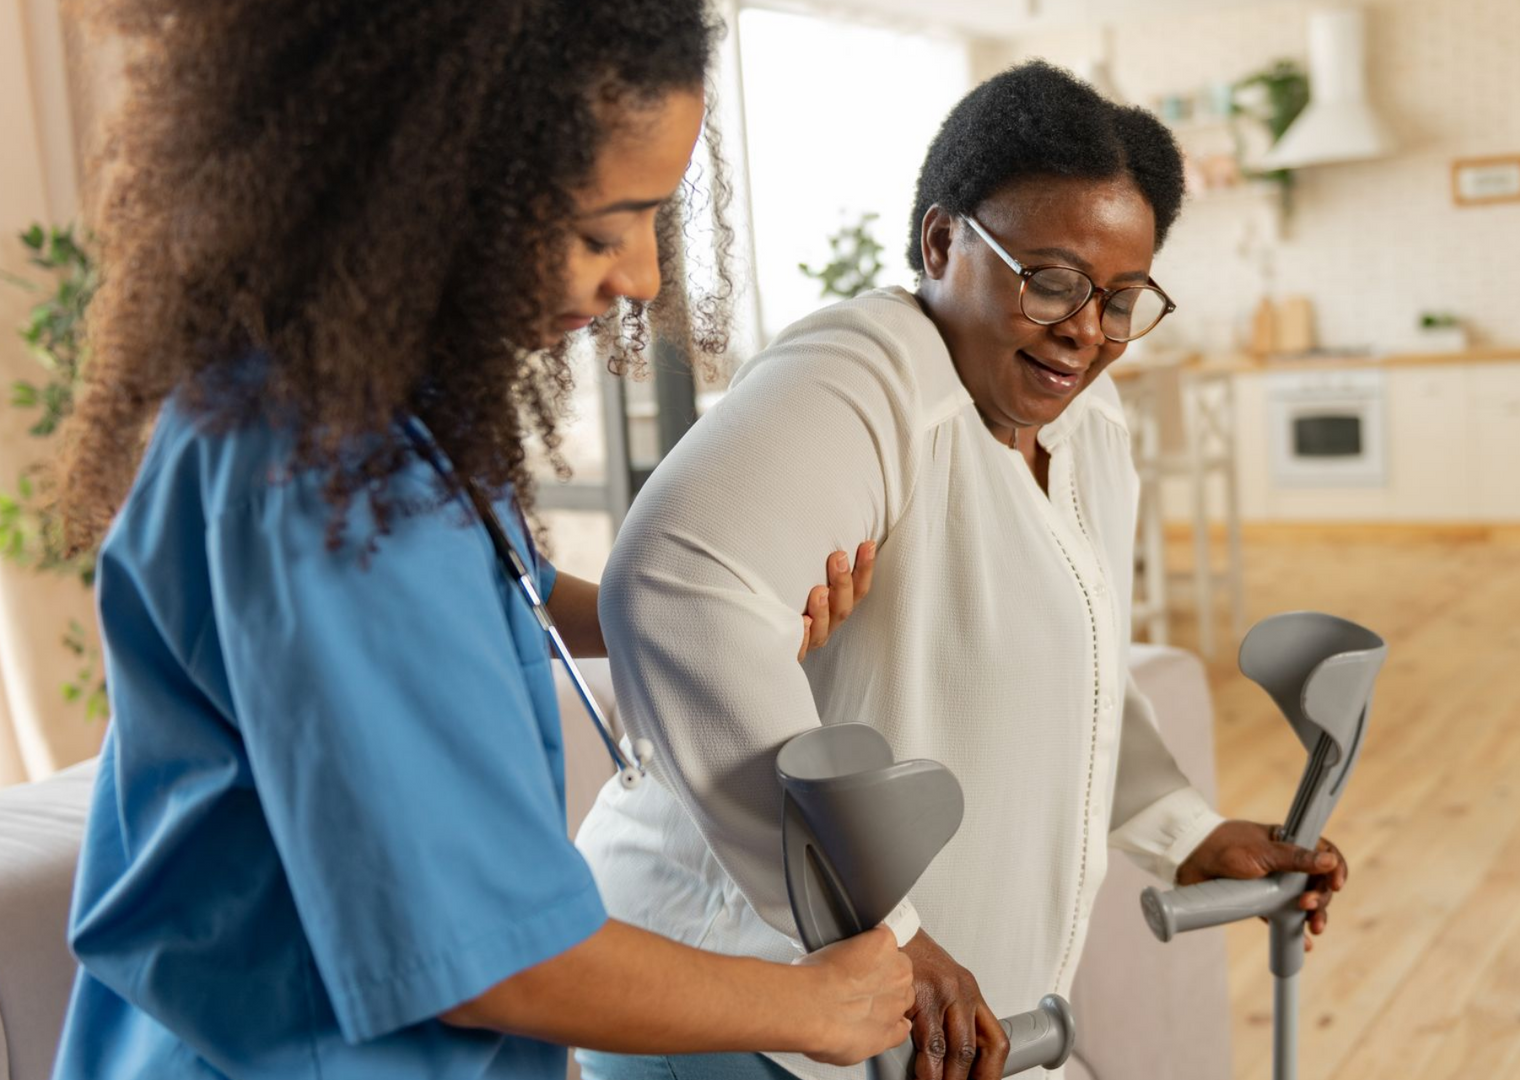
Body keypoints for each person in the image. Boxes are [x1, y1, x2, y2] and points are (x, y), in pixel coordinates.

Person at [48, 2, 910, 1076]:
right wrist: (814, 1007)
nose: (640, 276)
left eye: (656, 222)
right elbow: (491, 963)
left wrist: (690, 613)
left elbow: (500, 585)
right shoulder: (326, 479)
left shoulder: (374, 408)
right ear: (432, 182)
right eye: (602, 230)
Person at [576, 62, 1350, 1080]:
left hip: (906, 1035)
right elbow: (676, 592)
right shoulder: (864, 373)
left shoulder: (1086, 425)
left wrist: (1184, 832)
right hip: (742, 1005)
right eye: (1053, 278)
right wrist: (883, 930)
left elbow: (1073, 676)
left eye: (1121, 299)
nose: (1085, 328)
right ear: (944, 242)